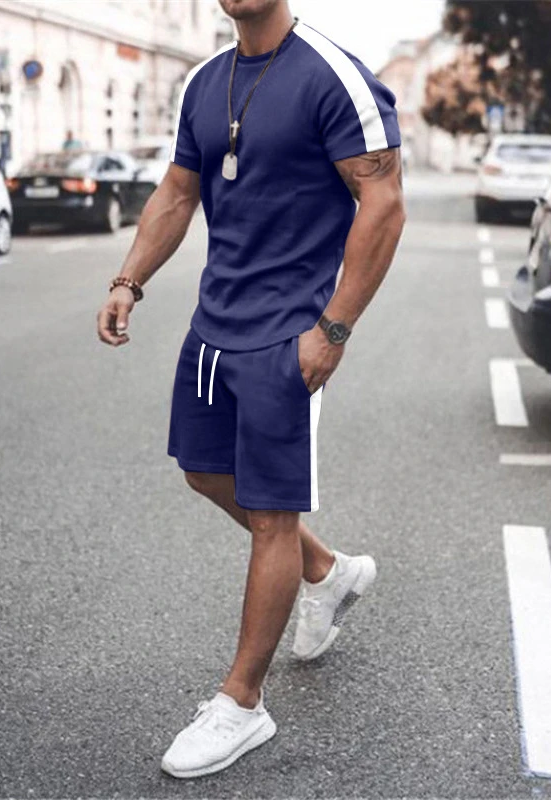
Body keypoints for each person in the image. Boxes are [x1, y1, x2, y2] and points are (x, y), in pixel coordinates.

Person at [97, 0, 405, 779]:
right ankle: (327, 571)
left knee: (271, 514)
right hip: (214, 325)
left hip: (287, 333)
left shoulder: (332, 76)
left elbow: (383, 202)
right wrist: (129, 279)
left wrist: (332, 329)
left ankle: (242, 703)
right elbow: (177, 192)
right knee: (205, 473)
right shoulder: (206, 81)